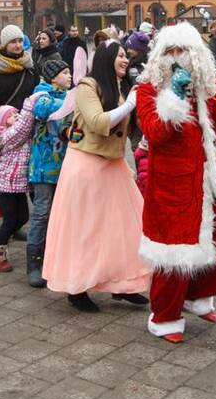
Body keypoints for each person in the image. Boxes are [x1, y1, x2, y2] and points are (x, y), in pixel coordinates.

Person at [135, 21, 216, 343]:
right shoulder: (147, 90)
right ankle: (163, 317)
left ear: (196, 54)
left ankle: (196, 296)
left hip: (207, 183)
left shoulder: (204, 88)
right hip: (171, 185)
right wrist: (174, 100)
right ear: (159, 56)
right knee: (174, 257)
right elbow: (155, 135)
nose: (177, 57)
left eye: (183, 50)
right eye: (169, 51)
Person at [42, 41, 151, 313]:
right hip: (86, 164)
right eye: (121, 56)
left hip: (113, 165)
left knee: (127, 224)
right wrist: (132, 103)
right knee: (87, 229)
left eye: (127, 56)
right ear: (107, 58)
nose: (126, 60)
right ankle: (77, 288)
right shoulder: (87, 86)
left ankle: (122, 283)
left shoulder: (122, 88)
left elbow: (135, 125)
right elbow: (98, 122)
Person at [25, 59, 72, 288]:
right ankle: (33, 261)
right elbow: (43, 108)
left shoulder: (69, 95)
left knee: (58, 213)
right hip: (43, 166)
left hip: (63, 165)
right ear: (53, 77)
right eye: (65, 73)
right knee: (41, 212)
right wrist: (72, 102)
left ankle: (52, 257)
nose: (69, 76)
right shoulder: (41, 93)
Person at [0, 103, 35, 272]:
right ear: (2, 121)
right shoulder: (4, 135)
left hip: (17, 185)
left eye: (17, 113)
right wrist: (32, 102)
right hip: (4, 184)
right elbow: (23, 128)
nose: (16, 116)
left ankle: (0, 237)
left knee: (22, 217)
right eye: (11, 115)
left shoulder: (20, 133)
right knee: (10, 219)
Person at [0, 25, 39, 116]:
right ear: (5, 44)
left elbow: (36, 92)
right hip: (3, 122)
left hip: (28, 120)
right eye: (13, 42)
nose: (18, 45)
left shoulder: (29, 65)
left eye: (20, 41)